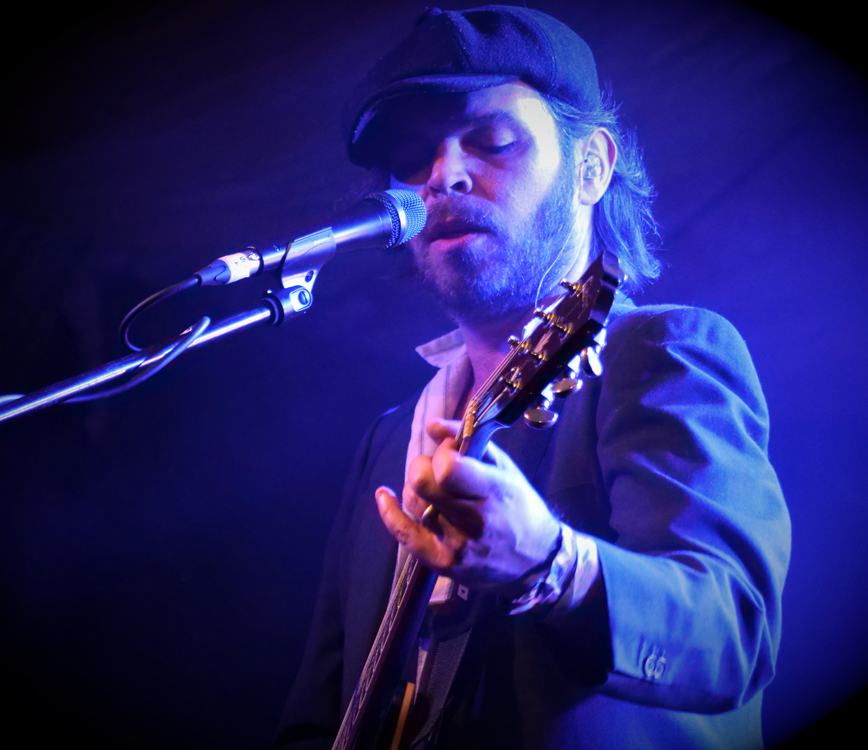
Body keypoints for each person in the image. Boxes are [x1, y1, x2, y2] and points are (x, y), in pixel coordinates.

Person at [275, 6, 790, 749]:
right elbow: (318, 715)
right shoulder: (389, 442)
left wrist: (550, 565)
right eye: (413, 157)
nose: (443, 176)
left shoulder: (660, 351)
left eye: (492, 141)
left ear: (591, 168)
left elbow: (731, 634)